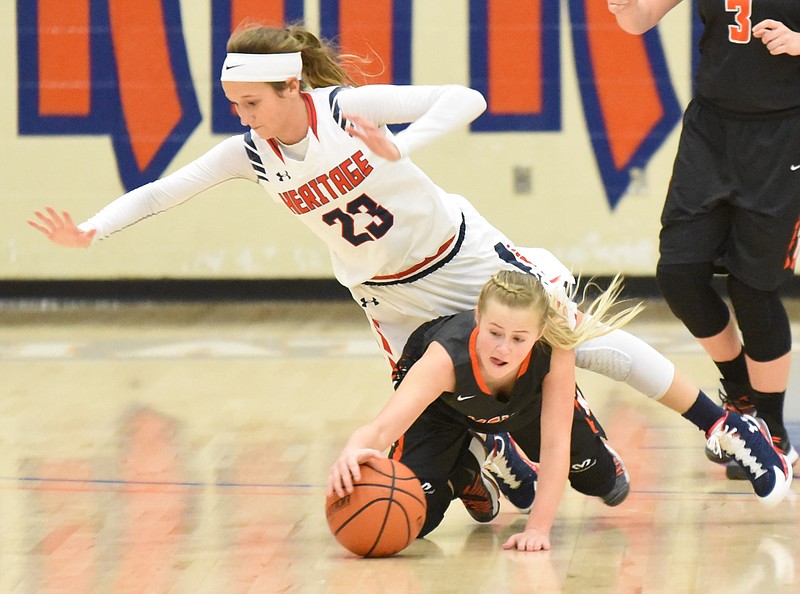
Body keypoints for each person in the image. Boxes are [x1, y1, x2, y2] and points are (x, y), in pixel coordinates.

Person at [28, 23, 791, 504]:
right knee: (434, 396)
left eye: (253, 103)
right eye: (237, 107)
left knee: (578, 339)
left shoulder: (346, 111)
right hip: (386, 297)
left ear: (293, 87)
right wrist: (92, 232)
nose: (244, 118)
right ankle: (494, 451)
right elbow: (166, 191)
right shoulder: (250, 154)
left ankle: (729, 426)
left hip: (459, 257)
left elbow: (467, 98)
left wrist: (403, 145)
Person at [327, 270, 789, 552]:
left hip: (525, 410)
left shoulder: (555, 350)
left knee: (607, 486)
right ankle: (466, 470)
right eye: (493, 332)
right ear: (477, 318)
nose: (502, 347)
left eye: (517, 338)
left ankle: (507, 440)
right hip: (447, 414)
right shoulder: (444, 359)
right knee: (412, 521)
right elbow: (384, 425)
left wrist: (538, 529)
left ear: (538, 335)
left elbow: (553, 445)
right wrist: (351, 453)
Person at [608, 0, 800, 479]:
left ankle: (773, 433)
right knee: (679, 273)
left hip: (783, 134)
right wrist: (623, 8)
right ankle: (742, 397)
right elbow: (639, 19)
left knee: (753, 289)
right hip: (711, 130)